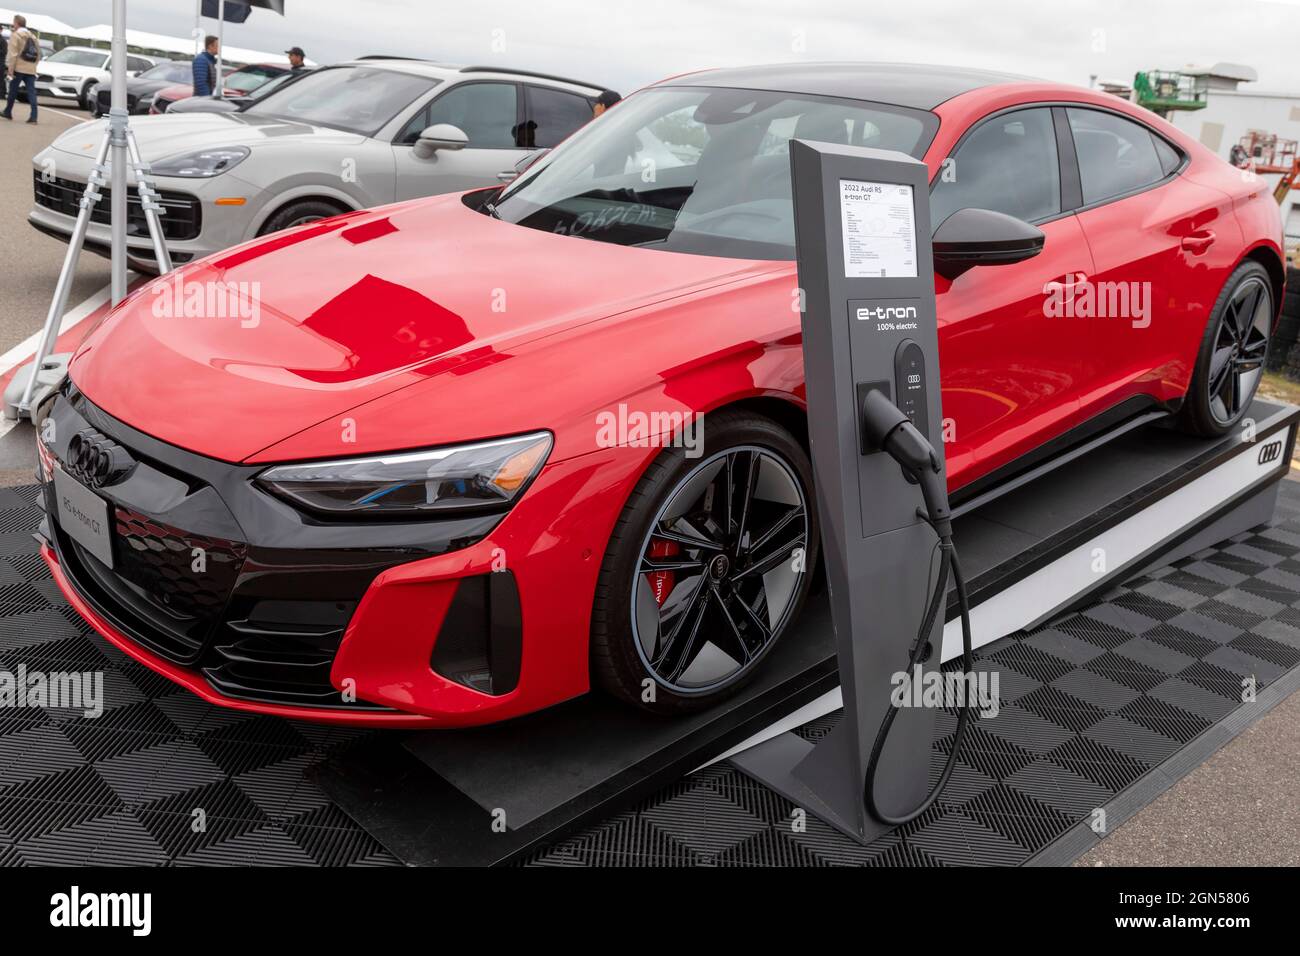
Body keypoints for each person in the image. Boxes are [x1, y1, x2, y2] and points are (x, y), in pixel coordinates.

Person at [2, 15, 40, 124]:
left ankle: (8, 112)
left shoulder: (16, 35)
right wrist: (34, 66)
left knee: (13, 91)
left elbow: (13, 54)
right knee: (31, 92)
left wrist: (10, 69)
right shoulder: (33, 36)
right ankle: (34, 116)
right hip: (31, 69)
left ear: (17, 23)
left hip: (18, 67)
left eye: (14, 23)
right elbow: (38, 54)